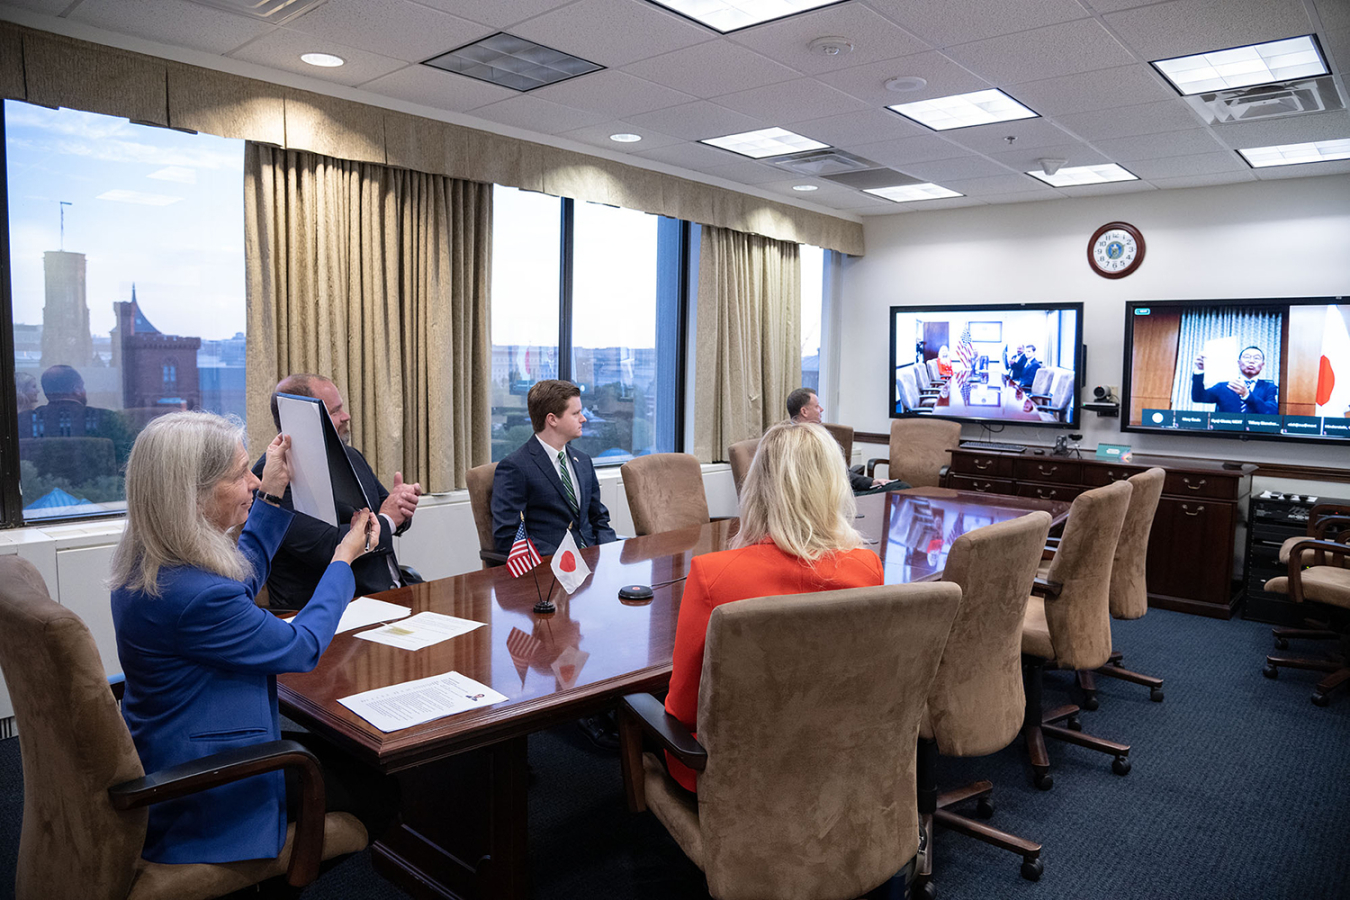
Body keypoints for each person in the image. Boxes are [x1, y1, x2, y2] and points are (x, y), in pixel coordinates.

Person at [109, 410, 384, 864]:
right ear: (193, 495)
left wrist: (273, 497)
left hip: (172, 743)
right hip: (209, 784)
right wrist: (343, 558)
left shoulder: (151, 565)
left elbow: (234, 582)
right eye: (241, 475)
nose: (253, 483)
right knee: (380, 791)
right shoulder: (197, 596)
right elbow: (302, 647)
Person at [663, 421, 885, 793]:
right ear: (834, 488)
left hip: (733, 778)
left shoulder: (713, 575)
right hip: (835, 763)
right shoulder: (866, 567)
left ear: (758, 488)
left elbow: (682, 711)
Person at [253, 374, 422, 609]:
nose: (346, 417)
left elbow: (388, 509)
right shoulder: (272, 477)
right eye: (335, 412)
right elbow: (327, 547)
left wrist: (402, 504)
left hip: (395, 591)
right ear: (301, 421)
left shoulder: (349, 456)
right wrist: (388, 519)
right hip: (337, 608)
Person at [492, 379, 617, 557]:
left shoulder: (583, 461)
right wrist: (568, 559)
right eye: (575, 413)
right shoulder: (515, 468)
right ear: (552, 419)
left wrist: (607, 553)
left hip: (595, 563)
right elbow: (509, 537)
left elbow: (599, 518)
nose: (583, 418)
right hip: (551, 570)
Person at [786, 387, 906, 491]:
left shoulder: (789, 436)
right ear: (804, 411)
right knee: (900, 488)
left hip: (838, 490)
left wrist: (872, 482)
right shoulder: (803, 440)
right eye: (817, 406)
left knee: (896, 487)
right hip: (828, 498)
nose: (821, 409)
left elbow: (840, 472)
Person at [1191, 346, 1278, 414]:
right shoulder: (1224, 386)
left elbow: (1272, 411)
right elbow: (1198, 397)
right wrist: (1200, 370)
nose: (1251, 361)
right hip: (1226, 434)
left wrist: (1247, 395)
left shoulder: (1269, 387)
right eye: (1247, 357)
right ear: (1239, 363)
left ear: (1262, 365)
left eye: (1256, 358)